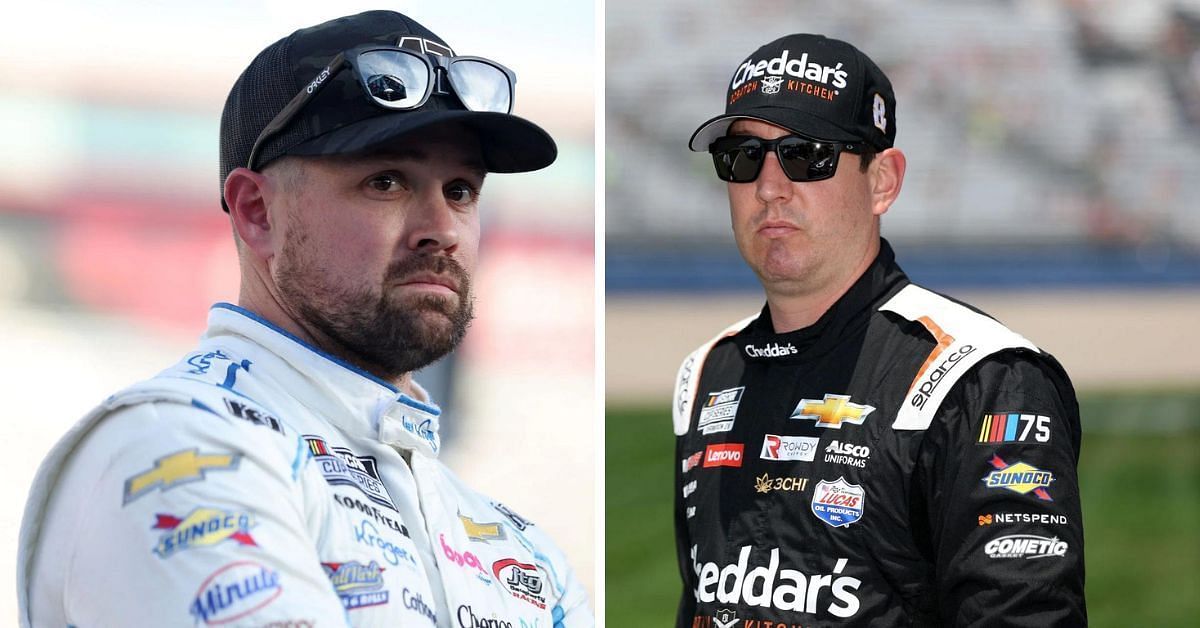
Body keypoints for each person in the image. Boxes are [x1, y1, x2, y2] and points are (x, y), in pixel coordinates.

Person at [17, 10, 592, 627]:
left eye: (460, 190)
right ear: (257, 211)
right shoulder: (177, 447)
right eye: (387, 181)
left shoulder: (523, 556)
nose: (443, 231)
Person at [672, 34, 1085, 627]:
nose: (768, 187)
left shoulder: (981, 377)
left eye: (805, 154)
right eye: (742, 158)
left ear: (882, 182)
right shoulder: (707, 371)